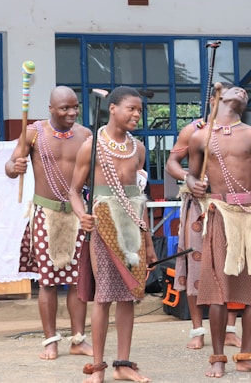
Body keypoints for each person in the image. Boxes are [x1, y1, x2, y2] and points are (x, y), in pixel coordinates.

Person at [186, 85, 251, 378]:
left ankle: (246, 356)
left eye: (244, 91)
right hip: (220, 216)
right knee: (219, 289)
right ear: (215, 99)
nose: (241, 91)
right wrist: (191, 183)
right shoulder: (199, 137)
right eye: (234, 88)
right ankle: (218, 358)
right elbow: (193, 177)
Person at [69, 86, 157, 383]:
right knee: (104, 296)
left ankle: (123, 365)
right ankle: (97, 368)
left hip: (132, 227)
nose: (136, 114)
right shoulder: (91, 146)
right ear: (113, 109)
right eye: (131, 108)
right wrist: (83, 216)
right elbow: (74, 191)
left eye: (139, 110)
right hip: (103, 225)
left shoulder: (139, 149)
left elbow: (138, 196)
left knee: (129, 295)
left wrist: (147, 240)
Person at [5, 86, 93, 361]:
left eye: (75, 107)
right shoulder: (33, 133)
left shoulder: (85, 135)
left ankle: (78, 339)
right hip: (45, 213)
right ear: (51, 109)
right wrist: (14, 167)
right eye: (65, 108)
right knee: (48, 282)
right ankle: (50, 340)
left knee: (79, 281)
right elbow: (10, 166)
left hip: (78, 215)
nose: (72, 112)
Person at [165, 82, 242, 350]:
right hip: (198, 204)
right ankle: (197, 329)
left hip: (231, 207)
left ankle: (230, 328)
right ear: (212, 102)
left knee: (232, 264)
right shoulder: (194, 131)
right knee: (196, 265)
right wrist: (189, 177)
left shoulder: (242, 132)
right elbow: (171, 163)